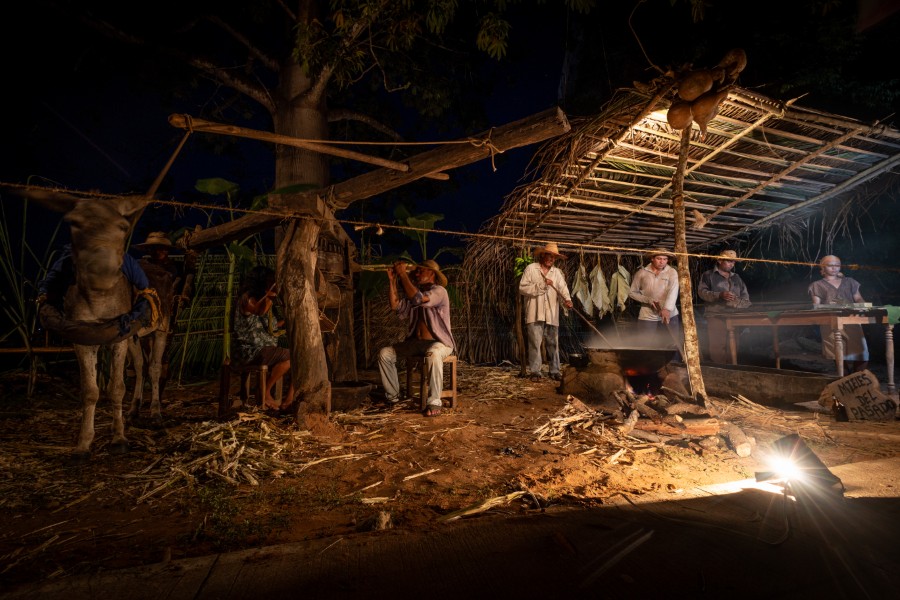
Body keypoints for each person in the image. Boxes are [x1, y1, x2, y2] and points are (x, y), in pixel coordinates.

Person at [377, 259, 455, 417]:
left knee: (433, 354)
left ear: (431, 273)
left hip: (440, 344)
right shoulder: (414, 294)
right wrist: (393, 281)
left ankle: (434, 402)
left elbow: (419, 299)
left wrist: (402, 275)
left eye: (421, 271)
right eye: (416, 271)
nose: (417, 274)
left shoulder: (439, 291)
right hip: (416, 343)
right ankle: (392, 398)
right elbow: (395, 306)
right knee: (385, 353)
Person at [232, 266, 294, 412]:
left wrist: (288, 320)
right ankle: (263, 392)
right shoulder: (246, 298)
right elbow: (259, 311)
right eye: (270, 281)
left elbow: (271, 326)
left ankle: (290, 399)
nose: (273, 283)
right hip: (249, 351)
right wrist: (272, 293)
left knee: (299, 357)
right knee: (293, 356)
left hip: (264, 349)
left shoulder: (263, 299)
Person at [518, 242, 574, 382]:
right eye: (549, 256)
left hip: (551, 314)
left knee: (553, 344)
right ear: (542, 255)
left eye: (554, 257)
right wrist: (542, 285)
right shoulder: (531, 269)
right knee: (535, 343)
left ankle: (554, 371)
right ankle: (536, 372)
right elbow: (522, 288)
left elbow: (563, 289)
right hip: (534, 312)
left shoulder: (557, 273)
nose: (551, 259)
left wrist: (567, 300)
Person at [808, 255, 869, 373]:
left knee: (861, 352)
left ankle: (858, 378)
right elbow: (816, 305)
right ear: (823, 267)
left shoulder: (850, 281)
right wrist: (831, 306)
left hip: (852, 319)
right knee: (837, 352)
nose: (834, 268)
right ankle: (844, 379)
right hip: (830, 321)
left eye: (837, 265)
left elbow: (859, 298)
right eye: (830, 265)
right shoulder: (817, 285)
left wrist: (863, 306)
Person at [697, 249, 751, 363]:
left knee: (733, 345)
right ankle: (719, 370)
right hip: (715, 314)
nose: (731, 264)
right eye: (728, 261)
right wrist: (719, 295)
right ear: (720, 260)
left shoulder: (736, 277)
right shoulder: (708, 275)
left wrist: (738, 303)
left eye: (733, 262)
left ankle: (732, 370)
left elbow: (746, 298)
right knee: (717, 345)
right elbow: (702, 293)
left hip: (734, 316)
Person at [628, 248, 682, 354]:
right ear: (652, 259)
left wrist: (667, 309)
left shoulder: (672, 272)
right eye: (659, 258)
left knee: (671, 343)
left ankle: (673, 367)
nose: (662, 262)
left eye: (665, 259)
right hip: (648, 314)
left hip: (669, 314)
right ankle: (646, 367)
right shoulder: (642, 273)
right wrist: (648, 299)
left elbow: (673, 291)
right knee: (645, 343)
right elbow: (632, 293)